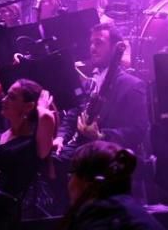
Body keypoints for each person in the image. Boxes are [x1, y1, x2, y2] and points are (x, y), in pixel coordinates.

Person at [57, 24, 149, 157]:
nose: (93, 48)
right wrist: (60, 138)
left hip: (107, 159)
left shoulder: (133, 85)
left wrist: (101, 135)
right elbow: (73, 114)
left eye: (99, 43)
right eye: (92, 43)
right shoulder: (90, 83)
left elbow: (138, 131)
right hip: (79, 151)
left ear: (114, 48)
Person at [0, 79, 56, 210]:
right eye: (6, 95)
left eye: (11, 97)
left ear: (29, 106)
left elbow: (47, 117)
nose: (3, 100)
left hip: (8, 210)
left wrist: (41, 108)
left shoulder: (32, 143)